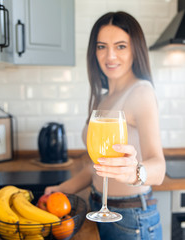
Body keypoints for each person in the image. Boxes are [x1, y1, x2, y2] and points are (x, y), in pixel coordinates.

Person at [44, 11, 165, 240]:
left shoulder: (141, 92)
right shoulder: (103, 98)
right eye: (102, 46)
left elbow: (158, 168)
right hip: (99, 209)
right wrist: (64, 188)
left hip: (131, 218)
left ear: (134, 50)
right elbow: (97, 167)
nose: (110, 56)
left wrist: (135, 172)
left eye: (120, 46)